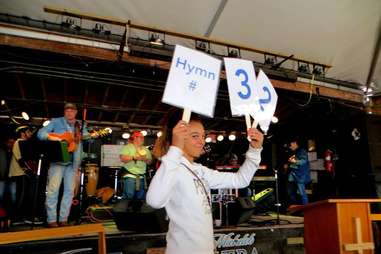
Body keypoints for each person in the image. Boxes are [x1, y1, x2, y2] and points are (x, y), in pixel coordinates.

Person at [146, 113, 263, 254]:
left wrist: (255, 150)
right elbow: (154, 200)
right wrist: (175, 148)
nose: (202, 141)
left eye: (202, 136)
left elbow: (240, 180)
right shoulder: (172, 168)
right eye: (195, 136)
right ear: (178, 136)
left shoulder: (200, 170)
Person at [37, 103, 88, 227]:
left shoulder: (80, 125)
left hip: (73, 162)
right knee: (53, 190)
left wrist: (87, 137)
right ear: (64, 112)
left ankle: (63, 219)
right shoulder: (56, 121)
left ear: (76, 112)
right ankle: (51, 220)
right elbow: (41, 133)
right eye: (67, 110)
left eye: (72, 110)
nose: (69, 112)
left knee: (69, 191)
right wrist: (55, 138)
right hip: (58, 161)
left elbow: (87, 138)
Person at [8, 126, 33, 222]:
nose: (30, 134)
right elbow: (20, 159)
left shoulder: (24, 143)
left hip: (23, 173)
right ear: (22, 133)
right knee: (21, 195)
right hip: (19, 173)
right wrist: (28, 171)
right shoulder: (18, 142)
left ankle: (21, 216)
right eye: (28, 132)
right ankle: (16, 218)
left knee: (24, 195)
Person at [120, 131, 152, 200]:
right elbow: (122, 158)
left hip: (142, 176)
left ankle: (136, 209)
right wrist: (134, 157)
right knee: (129, 195)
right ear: (134, 138)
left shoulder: (146, 150)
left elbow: (150, 162)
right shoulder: (128, 147)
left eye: (143, 137)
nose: (142, 139)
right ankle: (125, 209)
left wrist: (144, 159)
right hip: (130, 174)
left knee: (140, 197)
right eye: (140, 137)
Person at [285, 137, 311, 205]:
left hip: (300, 175)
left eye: (290, 145)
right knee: (290, 192)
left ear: (295, 143)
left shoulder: (302, 151)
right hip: (292, 175)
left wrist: (294, 161)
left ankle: (305, 208)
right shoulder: (292, 152)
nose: (290, 147)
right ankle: (294, 207)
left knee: (301, 193)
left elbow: (303, 161)